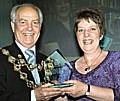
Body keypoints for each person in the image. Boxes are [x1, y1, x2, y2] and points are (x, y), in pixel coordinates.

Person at [0, 3, 62, 101]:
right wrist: (33, 96)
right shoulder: (2, 58)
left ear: (40, 27)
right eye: (23, 22)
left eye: (35, 23)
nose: (30, 28)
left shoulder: (49, 61)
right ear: (13, 26)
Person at [60, 8, 120, 101]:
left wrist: (86, 90)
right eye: (81, 30)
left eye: (92, 29)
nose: (86, 34)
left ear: (101, 35)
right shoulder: (67, 68)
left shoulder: (116, 60)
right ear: (76, 36)